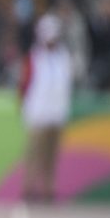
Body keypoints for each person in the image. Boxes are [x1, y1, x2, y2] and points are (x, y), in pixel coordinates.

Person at [19, 11, 73, 203]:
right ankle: (29, 189)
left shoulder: (64, 57)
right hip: (38, 113)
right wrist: (27, 109)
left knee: (51, 156)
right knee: (34, 154)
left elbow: (66, 85)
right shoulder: (34, 57)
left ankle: (49, 190)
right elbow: (24, 85)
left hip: (57, 113)